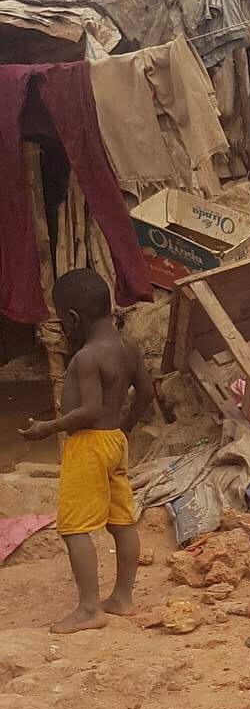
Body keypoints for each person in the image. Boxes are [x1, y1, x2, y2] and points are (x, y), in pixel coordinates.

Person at [20, 267, 153, 635]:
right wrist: (124, 427)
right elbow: (146, 393)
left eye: (63, 321)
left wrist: (48, 427)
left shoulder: (86, 357)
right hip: (114, 442)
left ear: (73, 318)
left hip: (88, 446)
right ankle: (122, 598)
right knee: (121, 521)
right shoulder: (129, 347)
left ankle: (89, 608)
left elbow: (89, 410)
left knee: (74, 528)